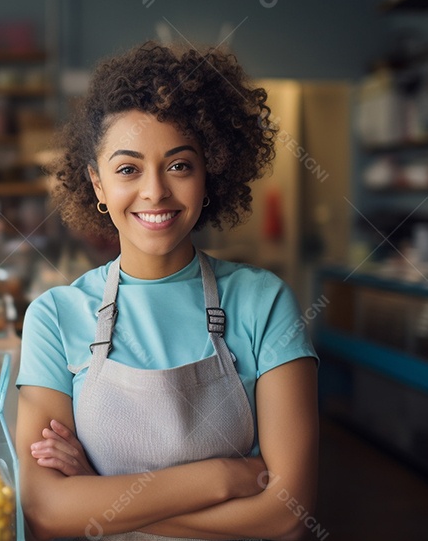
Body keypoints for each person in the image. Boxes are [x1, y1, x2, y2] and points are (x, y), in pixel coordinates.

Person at [16, 41, 319, 541]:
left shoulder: (264, 304)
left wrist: (97, 494)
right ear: (97, 184)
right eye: (128, 169)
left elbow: (287, 516)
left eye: (179, 165)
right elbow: (46, 510)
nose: (155, 191)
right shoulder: (54, 316)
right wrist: (224, 477)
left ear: (209, 174)